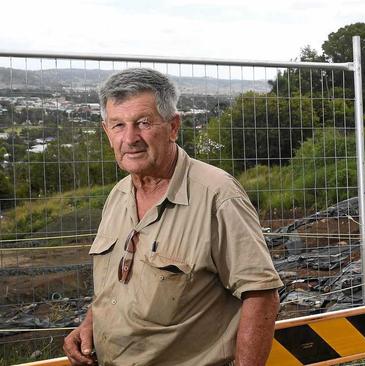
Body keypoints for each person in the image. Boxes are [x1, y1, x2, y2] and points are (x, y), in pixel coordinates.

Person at [62, 68, 283, 366]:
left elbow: (261, 295)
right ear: (106, 131)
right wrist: (91, 323)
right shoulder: (118, 195)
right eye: (118, 125)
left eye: (143, 123)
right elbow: (119, 284)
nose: (130, 138)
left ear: (173, 126)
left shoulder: (218, 195)